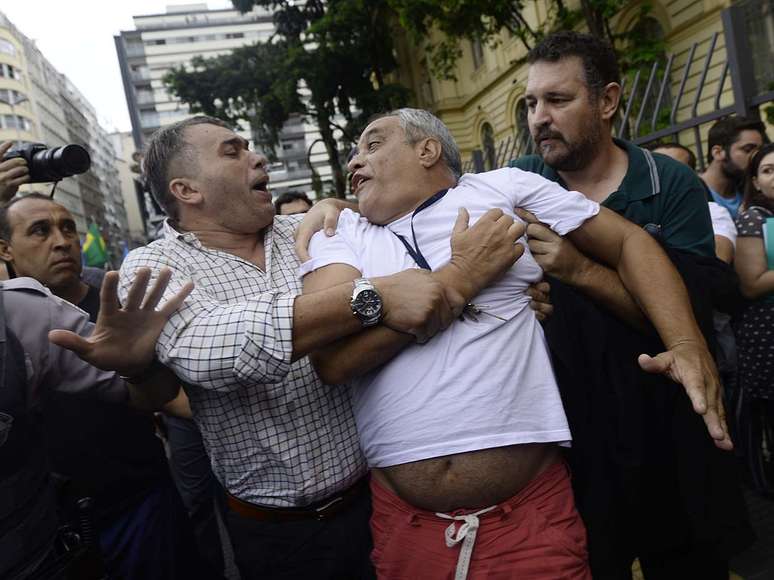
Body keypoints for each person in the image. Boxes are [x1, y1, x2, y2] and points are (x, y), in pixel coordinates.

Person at [300, 107, 727, 580]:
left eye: (373, 144)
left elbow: (629, 243)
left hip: (531, 518)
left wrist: (686, 342)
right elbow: (332, 361)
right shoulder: (341, 234)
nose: (355, 163)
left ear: (428, 149)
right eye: (354, 154)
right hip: (409, 528)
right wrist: (459, 283)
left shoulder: (501, 188)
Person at [118, 115, 518, 579]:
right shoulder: (151, 267)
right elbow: (208, 352)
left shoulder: (317, 230)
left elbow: (425, 257)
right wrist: (371, 297)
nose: (257, 157)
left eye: (249, 146)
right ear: (187, 190)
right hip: (272, 533)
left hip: (383, 500)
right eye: (232, 151)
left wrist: (501, 296)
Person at [507, 31, 753, 579]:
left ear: (609, 101)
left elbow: (682, 321)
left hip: (669, 433)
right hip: (571, 440)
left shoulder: (671, 185)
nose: (539, 117)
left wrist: (579, 270)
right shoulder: (516, 183)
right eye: (531, 102)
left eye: (558, 100)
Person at [0, 194, 205, 579]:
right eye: (40, 231)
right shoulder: (11, 324)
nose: (61, 242)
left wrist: (140, 369)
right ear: (5, 249)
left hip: (139, 497)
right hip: (54, 521)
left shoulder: (127, 309)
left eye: (68, 229)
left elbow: (164, 394)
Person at [734, 143, 774, 491]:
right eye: (768, 170)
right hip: (768, 336)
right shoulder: (754, 218)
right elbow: (751, 284)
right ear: (756, 182)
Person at [700, 116, 767, 217]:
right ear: (718, 152)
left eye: (759, 151)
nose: (755, 156)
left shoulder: (752, 189)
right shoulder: (692, 192)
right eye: (748, 150)